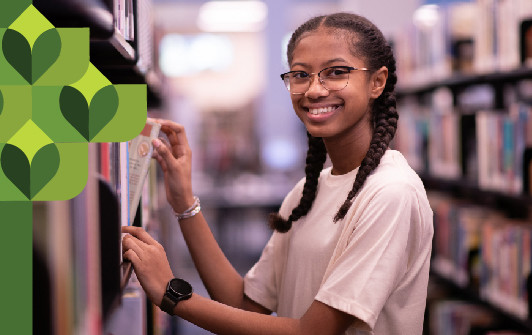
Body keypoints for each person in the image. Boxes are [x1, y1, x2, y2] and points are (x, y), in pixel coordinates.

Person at [122, 12, 433, 335]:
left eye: (336, 72)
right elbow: (242, 305)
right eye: (300, 75)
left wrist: (171, 295)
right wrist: (184, 201)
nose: (314, 89)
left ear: (377, 82)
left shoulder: (392, 192)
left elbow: (311, 332)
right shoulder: (307, 192)